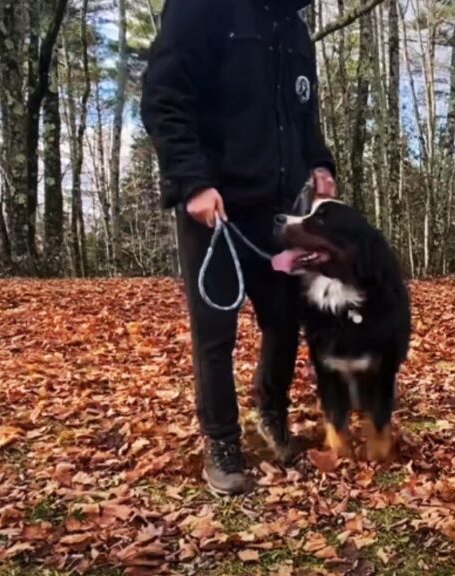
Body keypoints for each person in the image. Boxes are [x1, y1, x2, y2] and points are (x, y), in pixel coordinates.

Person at [141, 0, 336, 495]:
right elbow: (164, 96)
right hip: (217, 207)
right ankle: (222, 443)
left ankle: (271, 417)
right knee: (216, 336)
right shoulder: (200, 9)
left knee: (286, 321)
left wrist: (318, 162)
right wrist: (192, 183)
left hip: (277, 210)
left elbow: (301, 110)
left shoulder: (292, 26)